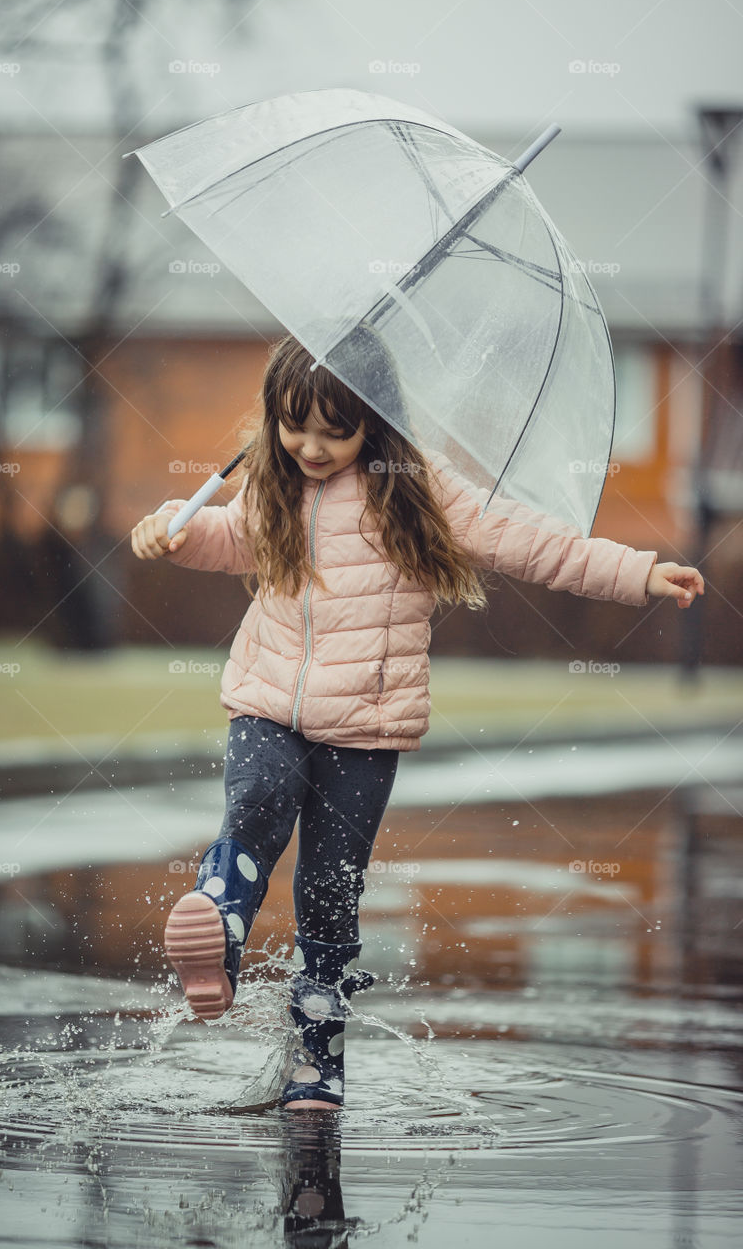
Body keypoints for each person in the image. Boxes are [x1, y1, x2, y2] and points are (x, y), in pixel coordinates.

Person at [130, 331, 704, 1112]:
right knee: (257, 800)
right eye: (295, 426)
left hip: (365, 724)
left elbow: (528, 542)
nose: (311, 446)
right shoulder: (270, 482)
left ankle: (316, 1056)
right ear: (274, 418)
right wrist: (174, 527)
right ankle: (221, 919)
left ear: (375, 420)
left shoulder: (416, 488)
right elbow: (229, 540)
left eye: (336, 430)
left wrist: (636, 571)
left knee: (331, 887)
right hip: (266, 698)